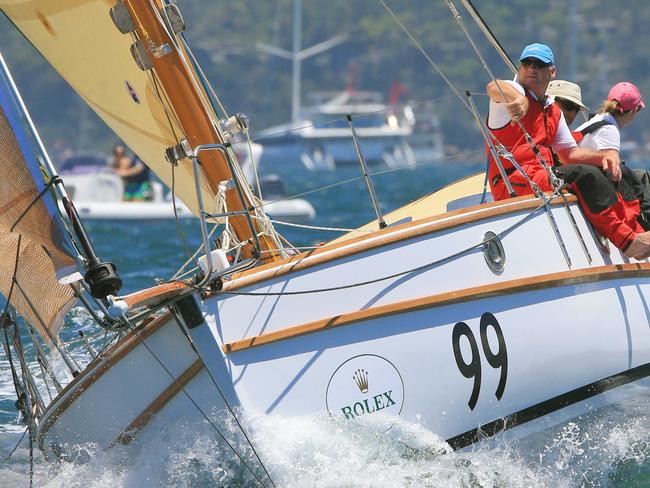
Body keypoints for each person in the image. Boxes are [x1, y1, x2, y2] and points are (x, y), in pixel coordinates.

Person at [486, 43, 650, 258]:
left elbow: (569, 155)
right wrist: (518, 100)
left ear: (552, 72)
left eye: (539, 65)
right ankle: (628, 242)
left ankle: (639, 232)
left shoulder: (553, 110)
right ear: (519, 68)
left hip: (541, 176)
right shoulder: (516, 91)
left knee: (618, 171)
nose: (532, 69)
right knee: (587, 176)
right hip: (514, 182)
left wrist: (607, 156)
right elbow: (494, 86)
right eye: (527, 63)